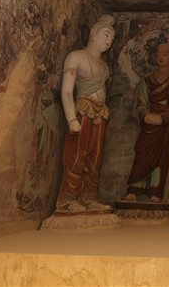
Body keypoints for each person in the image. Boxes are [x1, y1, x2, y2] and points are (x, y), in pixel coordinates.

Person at [56, 15, 115, 212]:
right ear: (93, 34)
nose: (109, 41)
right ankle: (70, 199)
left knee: (96, 156)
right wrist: (71, 118)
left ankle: (90, 197)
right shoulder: (77, 57)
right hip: (82, 109)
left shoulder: (104, 66)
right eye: (106, 35)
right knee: (78, 154)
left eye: (112, 38)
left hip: (100, 112)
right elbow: (66, 91)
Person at [125, 42, 169, 203]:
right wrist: (146, 115)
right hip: (149, 125)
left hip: (166, 127)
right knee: (141, 153)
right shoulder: (146, 80)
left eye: (165, 54)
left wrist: (163, 118)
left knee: (161, 159)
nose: (160, 57)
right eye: (158, 53)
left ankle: (155, 192)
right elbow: (142, 103)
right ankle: (133, 190)